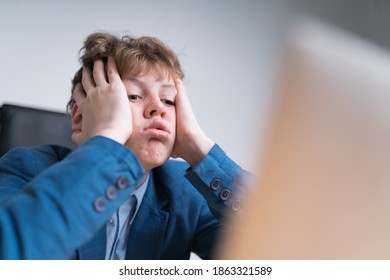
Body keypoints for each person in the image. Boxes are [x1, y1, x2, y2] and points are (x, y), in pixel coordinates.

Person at [0, 32, 251, 259]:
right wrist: (109, 136)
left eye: (168, 100)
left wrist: (200, 150)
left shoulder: (185, 194)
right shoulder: (26, 167)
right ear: (79, 118)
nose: (158, 108)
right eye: (132, 96)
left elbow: (280, 254)